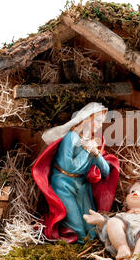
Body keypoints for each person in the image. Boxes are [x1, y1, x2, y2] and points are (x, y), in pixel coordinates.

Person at [32, 102, 120, 244]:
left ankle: (86, 249)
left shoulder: (92, 141)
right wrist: (86, 151)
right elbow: (70, 167)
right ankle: (73, 253)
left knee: (91, 230)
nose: (99, 125)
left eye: (101, 122)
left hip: (81, 186)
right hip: (63, 184)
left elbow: (106, 171)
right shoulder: (71, 138)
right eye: (97, 120)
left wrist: (96, 154)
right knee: (77, 229)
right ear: (87, 118)